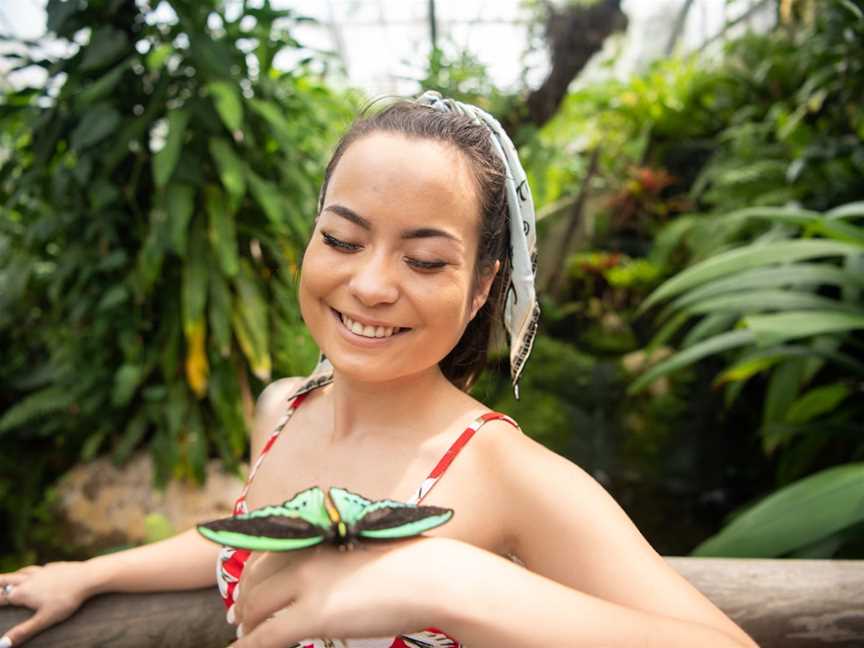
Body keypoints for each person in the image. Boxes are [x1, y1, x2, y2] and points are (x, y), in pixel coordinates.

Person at [0, 92, 757, 648]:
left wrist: (449, 584)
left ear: (484, 286)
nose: (369, 286)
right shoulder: (284, 407)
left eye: (425, 259)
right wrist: (92, 575)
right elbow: (249, 538)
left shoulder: (505, 472)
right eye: (342, 239)